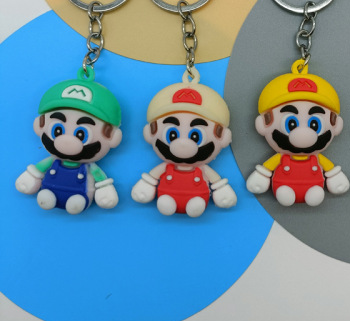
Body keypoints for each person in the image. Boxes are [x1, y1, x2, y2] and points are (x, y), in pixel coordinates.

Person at [131, 69, 237, 217]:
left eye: (195, 136)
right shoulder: (167, 166)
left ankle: (195, 204)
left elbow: (216, 182)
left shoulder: (202, 169)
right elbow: (152, 177)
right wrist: (146, 186)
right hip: (167, 196)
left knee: (195, 204)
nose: (182, 144)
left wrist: (221, 190)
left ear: (223, 137)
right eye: (172, 135)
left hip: (197, 197)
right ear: (150, 133)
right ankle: (168, 202)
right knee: (166, 203)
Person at [15, 68, 122, 214]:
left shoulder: (90, 167)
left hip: (79, 195)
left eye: (81, 134)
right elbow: (38, 169)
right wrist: (31, 177)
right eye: (58, 131)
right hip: (50, 190)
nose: (66, 141)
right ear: (39, 124)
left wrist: (104, 190)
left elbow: (99, 178)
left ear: (112, 137)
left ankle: (74, 203)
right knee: (46, 198)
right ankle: (49, 197)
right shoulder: (52, 160)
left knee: (75, 203)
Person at [247, 60, 349, 207]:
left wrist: (335, 177)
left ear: (336, 125)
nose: (304, 134)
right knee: (285, 193)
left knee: (314, 194)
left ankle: (312, 192)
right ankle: (286, 192)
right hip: (284, 186)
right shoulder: (281, 157)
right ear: (263, 124)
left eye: (314, 125)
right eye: (291, 124)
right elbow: (266, 169)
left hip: (313, 186)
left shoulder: (315, 157)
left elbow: (330, 169)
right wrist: (261, 177)